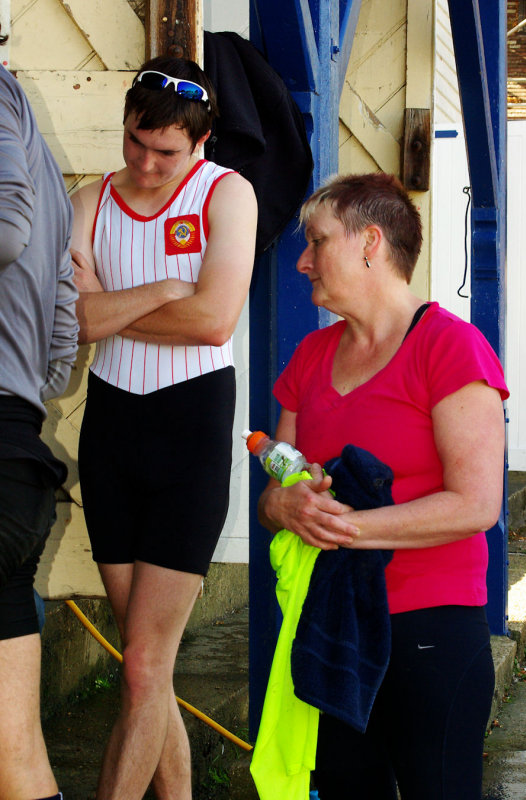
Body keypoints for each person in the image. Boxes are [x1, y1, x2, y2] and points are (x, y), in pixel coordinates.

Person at [258, 173, 508, 800]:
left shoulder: (451, 346)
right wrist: (284, 505)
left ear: (370, 242)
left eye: (317, 242)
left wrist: (345, 527)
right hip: (333, 628)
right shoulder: (311, 357)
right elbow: (280, 488)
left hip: (431, 628)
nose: (302, 261)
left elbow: (476, 504)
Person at [70, 55, 257, 800]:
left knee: (143, 667)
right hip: (111, 430)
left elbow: (214, 322)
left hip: (191, 428)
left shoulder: (227, 194)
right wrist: (163, 289)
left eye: (166, 152)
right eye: (135, 142)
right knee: (148, 661)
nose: (147, 164)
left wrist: (119, 309)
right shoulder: (89, 199)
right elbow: (78, 322)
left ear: (201, 142)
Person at [0, 30, 79, 800]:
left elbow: (4, 233)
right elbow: (61, 342)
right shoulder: (48, 167)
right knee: (14, 754)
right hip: (15, 450)